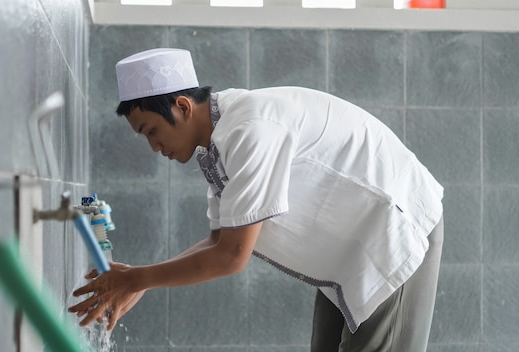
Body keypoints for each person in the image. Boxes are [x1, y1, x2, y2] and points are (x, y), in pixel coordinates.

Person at [68, 48, 444, 352]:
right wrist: (141, 282)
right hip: (351, 252)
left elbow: (232, 256)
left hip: (395, 230)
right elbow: (218, 240)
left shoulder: (250, 128)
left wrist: (136, 278)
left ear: (182, 107)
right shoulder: (218, 141)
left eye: (152, 131)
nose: (153, 147)